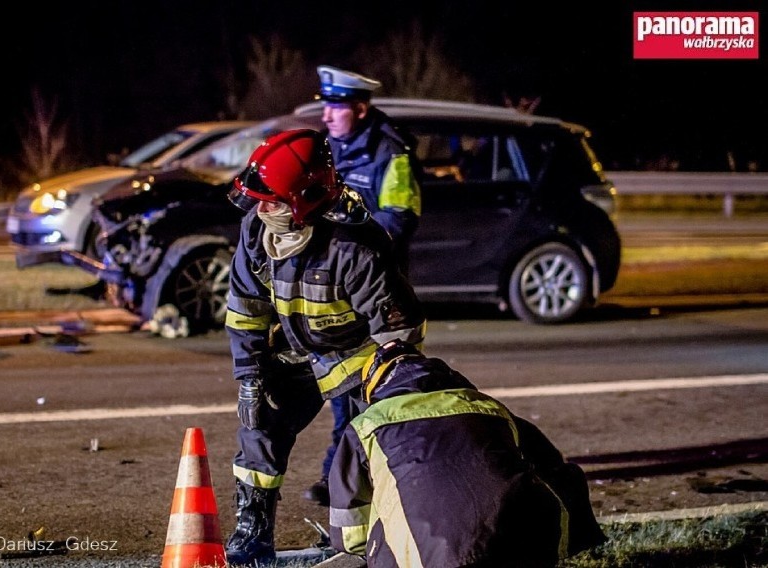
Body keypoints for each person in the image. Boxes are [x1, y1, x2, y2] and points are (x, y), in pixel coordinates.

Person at [223, 128, 427, 565]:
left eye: (272, 200)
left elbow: (399, 330)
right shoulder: (257, 232)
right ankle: (252, 532)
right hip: (296, 353)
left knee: (362, 451)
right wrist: (249, 379)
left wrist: (388, 397)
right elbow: (245, 313)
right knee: (260, 429)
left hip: (360, 360)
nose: (262, 209)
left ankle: (360, 546)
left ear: (306, 198)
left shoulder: (355, 247)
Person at [328, 339, 608, 568]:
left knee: (385, 516)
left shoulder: (366, 425)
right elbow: (556, 468)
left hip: (431, 559)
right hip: (522, 548)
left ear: (375, 388)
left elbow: (350, 535)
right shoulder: (489, 407)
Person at [303, 65, 424, 508]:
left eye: (335, 106)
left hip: (376, 292)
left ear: (359, 107)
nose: (327, 115)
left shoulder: (391, 153)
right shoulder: (329, 149)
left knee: (370, 388)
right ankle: (355, 475)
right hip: (334, 290)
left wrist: (352, 250)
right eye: (325, 105)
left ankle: (347, 479)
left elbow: (399, 219)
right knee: (346, 390)